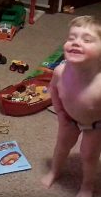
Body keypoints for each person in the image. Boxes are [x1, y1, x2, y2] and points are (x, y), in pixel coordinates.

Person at [41, 15, 101, 197]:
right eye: (71, 38)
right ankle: (54, 171)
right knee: (61, 146)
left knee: (89, 155)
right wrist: (60, 113)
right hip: (69, 119)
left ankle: (87, 186)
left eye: (87, 39)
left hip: (95, 125)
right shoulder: (60, 71)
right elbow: (54, 90)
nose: (76, 42)